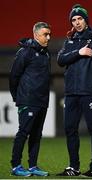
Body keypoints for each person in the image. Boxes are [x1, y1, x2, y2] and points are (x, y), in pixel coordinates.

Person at [57, 4, 92, 177]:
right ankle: (74, 167)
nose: (77, 22)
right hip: (71, 92)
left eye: (80, 18)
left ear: (86, 20)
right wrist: (79, 52)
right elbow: (60, 59)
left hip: (90, 91)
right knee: (70, 129)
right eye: (74, 19)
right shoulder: (69, 40)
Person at [9, 22, 51, 177]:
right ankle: (16, 166)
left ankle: (33, 166)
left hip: (42, 100)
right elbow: (14, 76)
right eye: (45, 34)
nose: (48, 37)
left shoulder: (46, 53)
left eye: (49, 34)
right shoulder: (24, 52)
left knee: (36, 134)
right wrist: (17, 97)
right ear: (36, 35)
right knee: (23, 132)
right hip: (27, 99)